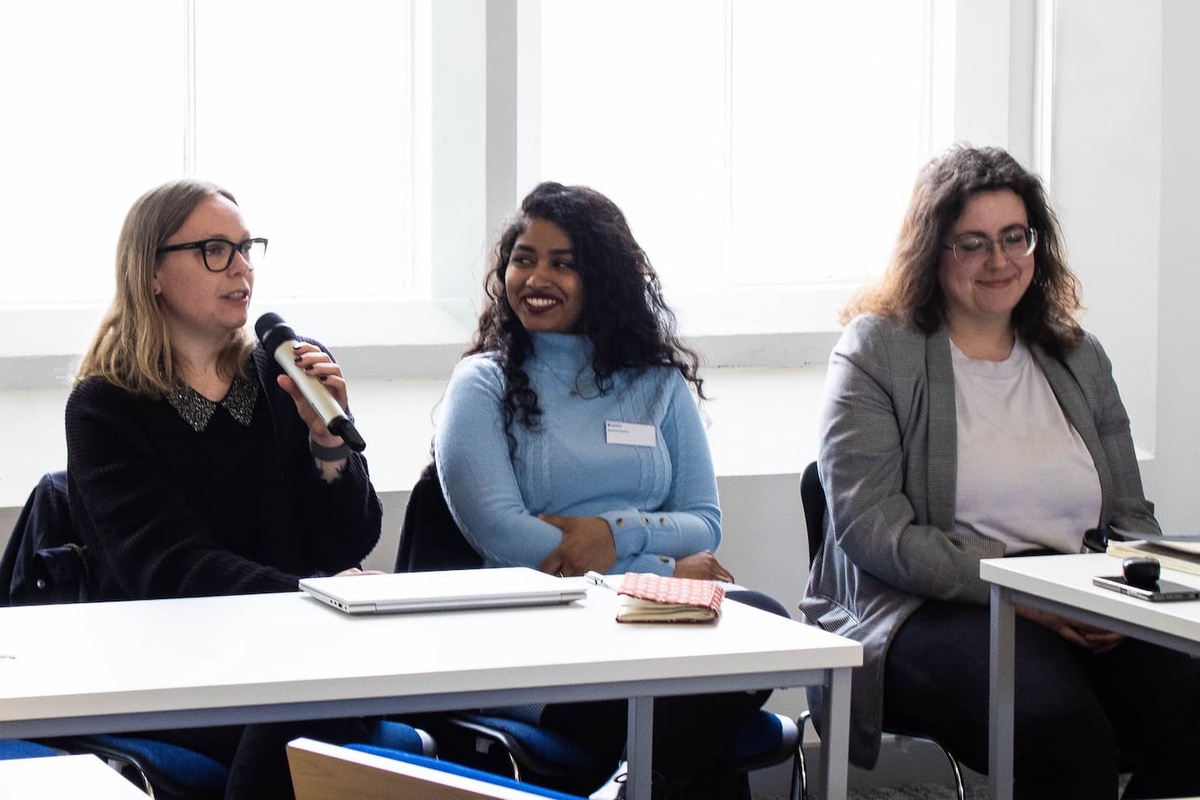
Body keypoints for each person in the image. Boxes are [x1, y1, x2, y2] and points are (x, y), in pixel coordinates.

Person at [799, 145, 1200, 799]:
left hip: (1081, 599)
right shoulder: (878, 350)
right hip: (927, 608)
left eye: (1016, 238)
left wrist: (1121, 592)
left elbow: (1131, 514)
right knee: (1063, 729)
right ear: (933, 252)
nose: (1001, 261)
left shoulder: (1077, 354)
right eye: (973, 244)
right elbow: (875, 532)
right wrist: (1025, 595)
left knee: (1188, 702)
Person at [435, 181, 763, 798]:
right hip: (539, 632)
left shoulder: (657, 382)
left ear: (604, 278)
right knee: (700, 714)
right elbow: (508, 537)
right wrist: (664, 569)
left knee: (761, 623)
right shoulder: (481, 384)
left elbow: (704, 519)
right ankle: (642, 782)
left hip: (644, 620)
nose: (537, 277)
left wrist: (617, 538)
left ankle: (634, 784)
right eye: (524, 259)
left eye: (564, 263)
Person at [66, 178, 383, 799]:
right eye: (215, 250)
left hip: (300, 655)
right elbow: (169, 568)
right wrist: (310, 595)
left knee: (308, 707)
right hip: (178, 669)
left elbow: (353, 539)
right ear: (151, 272)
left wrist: (326, 444)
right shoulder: (106, 407)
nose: (242, 267)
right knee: (300, 720)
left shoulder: (286, 372)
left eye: (246, 247)